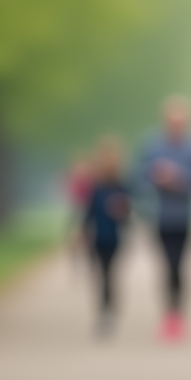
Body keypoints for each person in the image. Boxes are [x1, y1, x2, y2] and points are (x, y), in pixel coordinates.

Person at [139, 95, 191, 342]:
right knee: (166, 266)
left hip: (185, 218)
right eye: (172, 122)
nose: (176, 126)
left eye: (181, 122)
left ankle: (178, 315)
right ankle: (169, 314)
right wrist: (156, 176)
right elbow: (137, 176)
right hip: (160, 217)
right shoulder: (153, 145)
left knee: (180, 267)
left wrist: (181, 178)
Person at [81, 136, 132, 336]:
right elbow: (88, 211)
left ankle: (109, 310)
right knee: (101, 275)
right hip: (97, 238)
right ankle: (104, 311)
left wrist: (122, 210)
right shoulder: (96, 186)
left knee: (110, 275)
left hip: (115, 238)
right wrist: (83, 232)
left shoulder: (122, 184)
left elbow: (128, 213)